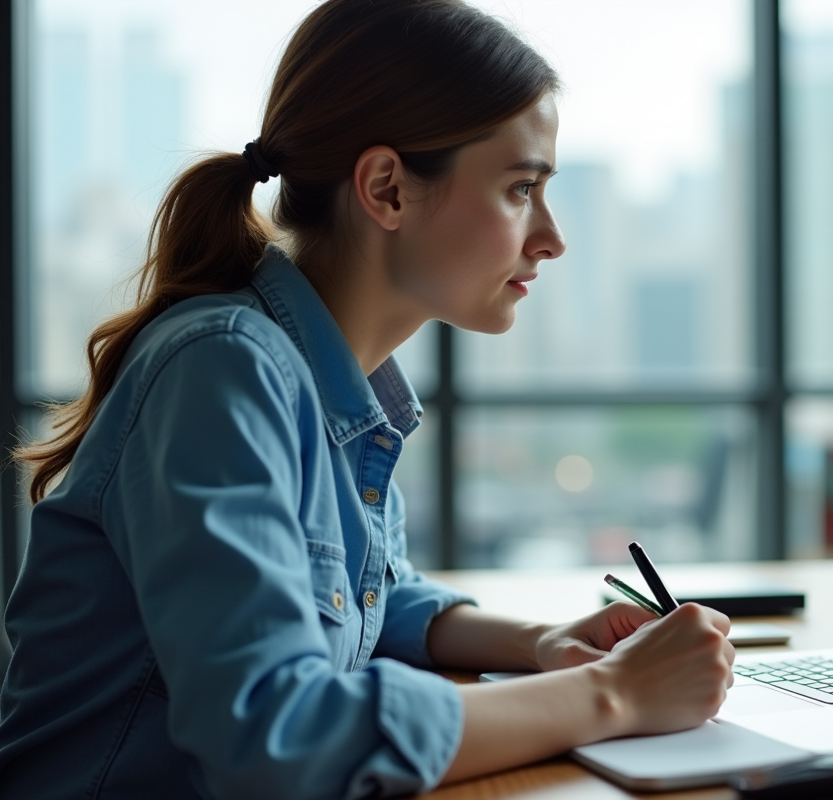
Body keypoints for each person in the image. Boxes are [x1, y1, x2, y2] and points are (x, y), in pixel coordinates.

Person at [0, 1, 735, 797]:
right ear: (387, 188)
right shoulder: (224, 370)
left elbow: (371, 599)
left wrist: (544, 643)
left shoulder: (335, 384)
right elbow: (274, 735)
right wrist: (613, 694)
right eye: (522, 187)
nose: (552, 235)